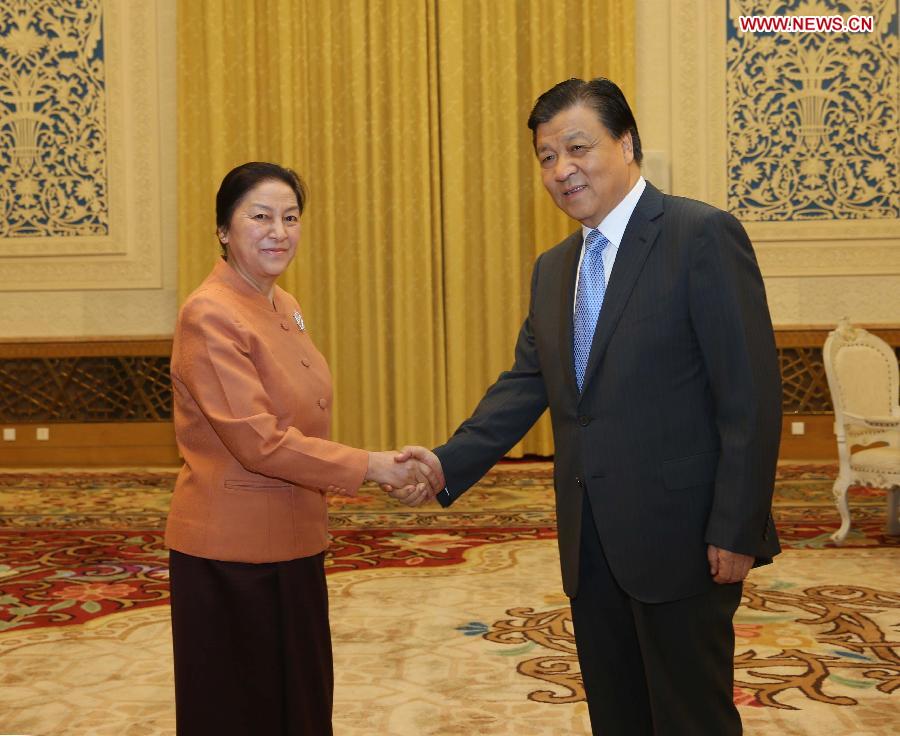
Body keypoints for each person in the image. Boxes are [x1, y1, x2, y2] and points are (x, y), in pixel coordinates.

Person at [391, 79, 782, 735]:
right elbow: (524, 385)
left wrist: (736, 528)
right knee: (618, 713)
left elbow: (750, 395)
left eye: (577, 147)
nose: (561, 169)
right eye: (546, 157)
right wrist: (442, 463)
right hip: (590, 538)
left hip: (684, 537)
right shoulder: (554, 268)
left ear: (626, 143)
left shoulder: (700, 236)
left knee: (691, 717)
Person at [165, 161, 436, 736]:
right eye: (260, 216)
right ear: (223, 230)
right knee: (241, 712)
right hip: (230, 557)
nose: (278, 231)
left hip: (295, 540)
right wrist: (371, 466)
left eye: (290, 217)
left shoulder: (281, 303)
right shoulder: (210, 313)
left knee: (301, 707)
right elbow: (257, 442)